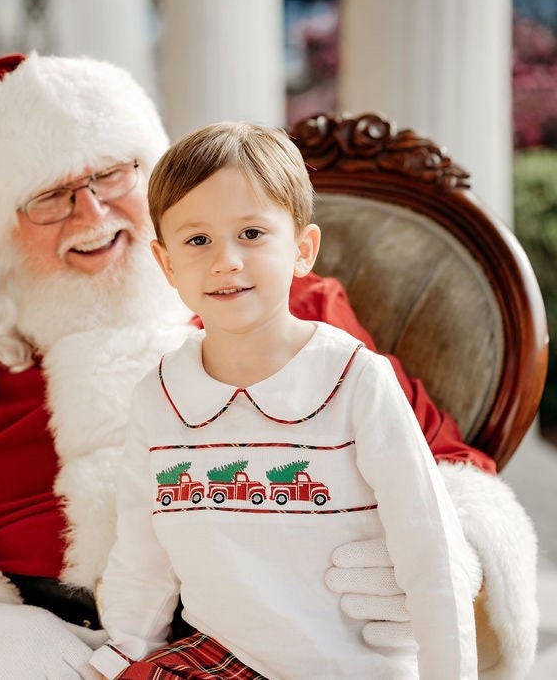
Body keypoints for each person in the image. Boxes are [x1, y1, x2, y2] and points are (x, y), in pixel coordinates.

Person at [0, 53, 537, 680]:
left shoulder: (294, 314)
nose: (92, 214)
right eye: (51, 197)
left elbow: (447, 465)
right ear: (2, 227)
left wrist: (426, 560)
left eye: (113, 174)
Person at [88, 121, 477, 680]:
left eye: (251, 234)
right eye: (198, 240)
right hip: (220, 657)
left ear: (302, 249)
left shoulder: (354, 381)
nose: (226, 260)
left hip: (350, 665)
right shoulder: (161, 398)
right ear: (167, 263)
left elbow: (430, 549)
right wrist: (124, 648)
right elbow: (142, 551)